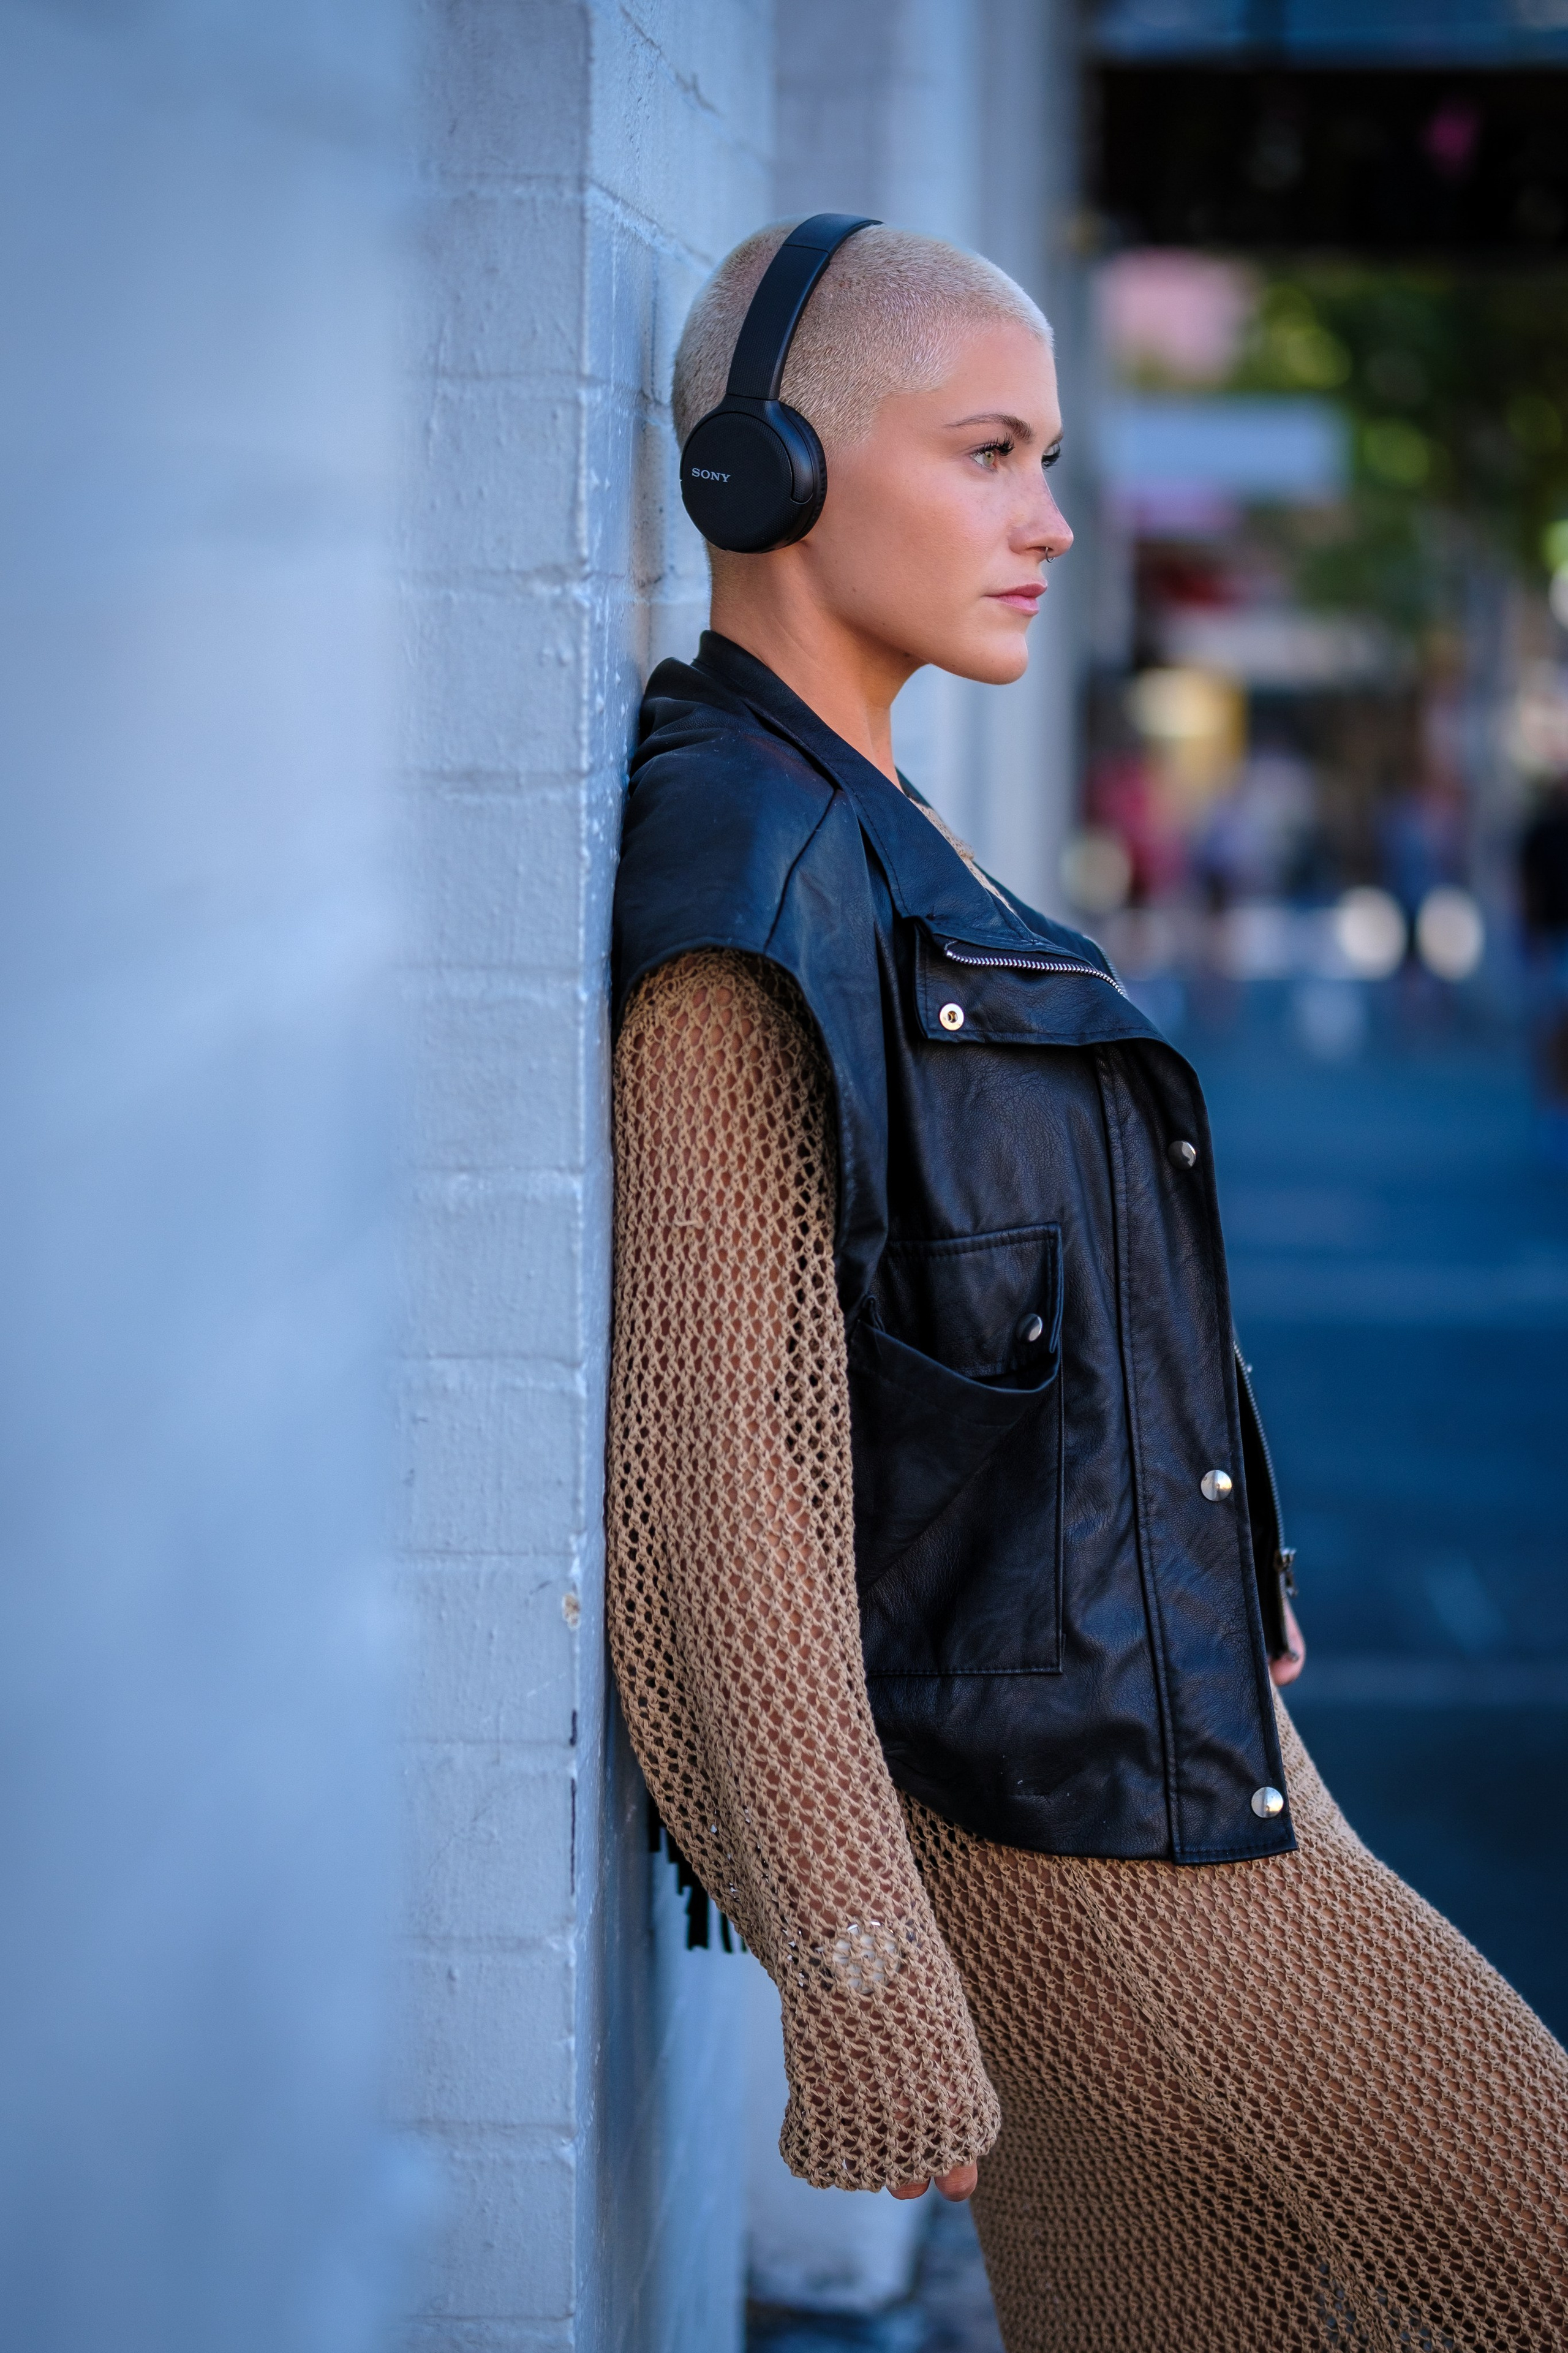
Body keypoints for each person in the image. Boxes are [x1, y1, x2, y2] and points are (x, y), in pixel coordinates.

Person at [606, 220, 1568, 2349]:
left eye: (1049, 452)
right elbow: (716, 1479)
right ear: (768, 472)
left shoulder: (862, 833)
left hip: (1158, 1748)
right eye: (990, 450)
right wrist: (860, 1972)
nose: (1052, 517)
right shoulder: (749, 888)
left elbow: (988, 1311)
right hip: (1096, 1841)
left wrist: (1223, 1543)